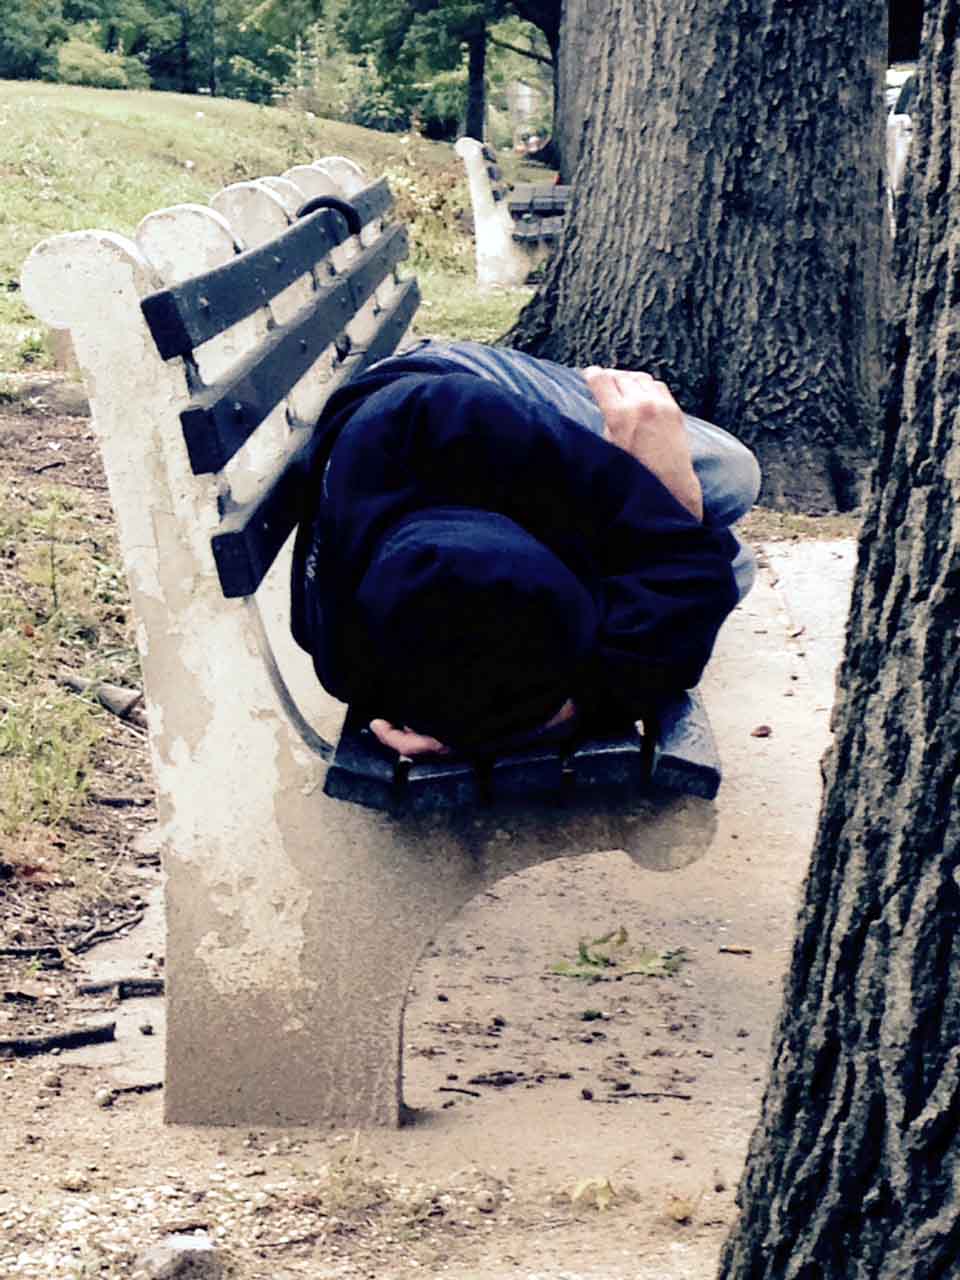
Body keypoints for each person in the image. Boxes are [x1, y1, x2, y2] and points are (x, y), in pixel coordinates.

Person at [290, 340, 760, 759]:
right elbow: (696, 576)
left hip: (445, 380)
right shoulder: (350, 660)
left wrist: (579, 699)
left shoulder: (467, 417)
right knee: (735, 563)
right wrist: (548, 718)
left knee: (733, 478)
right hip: (412, 463)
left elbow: (691, 576)